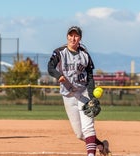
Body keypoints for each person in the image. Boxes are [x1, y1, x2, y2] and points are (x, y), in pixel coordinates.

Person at [48, 26, 111, 156]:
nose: (73, 38)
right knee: (80, 134)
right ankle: (102, 146)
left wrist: (92, 95)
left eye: (76, 36)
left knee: (88, 128)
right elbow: (50, 67)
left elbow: (90, 77)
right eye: (71, 35)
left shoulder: (85, 55)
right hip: (68, 95)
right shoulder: (60, 52)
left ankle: (91, 154)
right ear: (67, 37)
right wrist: (57, 75)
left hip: (84, 94)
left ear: (80, 38)